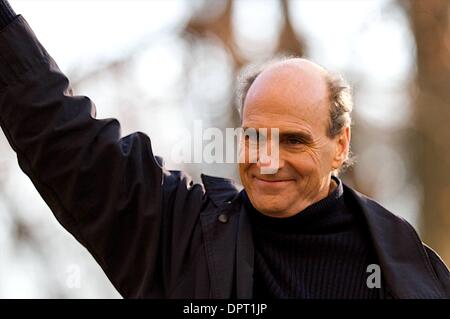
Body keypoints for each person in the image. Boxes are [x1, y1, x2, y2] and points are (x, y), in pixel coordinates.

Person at [0, 0, 448, 299]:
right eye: (255, 137)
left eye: (293, 140)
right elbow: (68, 141)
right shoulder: (182, 237)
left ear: (340, 145)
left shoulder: (411, 273)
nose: (267, 160)